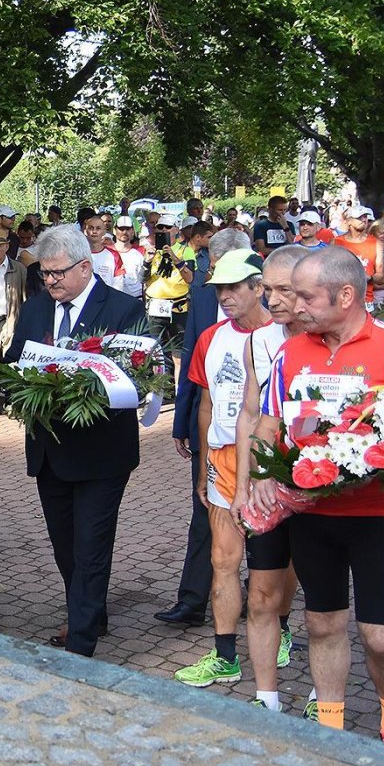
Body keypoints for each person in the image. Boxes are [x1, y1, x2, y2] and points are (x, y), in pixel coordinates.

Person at [250, 247, 384, 747]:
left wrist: (375, 456)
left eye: (306, 297)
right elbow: (269, 422)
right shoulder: (291, 352)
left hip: (377, 513)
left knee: (380, 636)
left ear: (346, 295)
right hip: (311, 514)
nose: (295, 306)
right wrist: (262, 473)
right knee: (322, 623)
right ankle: (329, 734)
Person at [1, 225, 144, 655]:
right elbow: (14, 360)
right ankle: (91, 612)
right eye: (44, 273)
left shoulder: (121, 309)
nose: (49, 281)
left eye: (57, 273)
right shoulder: (36, 309)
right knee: (65, 546)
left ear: (85, 267)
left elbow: (144, 374)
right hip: (50, 451)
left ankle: (81, 643)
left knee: (91, 547)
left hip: (102, 453)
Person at [172, 248, 273, 689]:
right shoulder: (211, 338)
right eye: (219, 289)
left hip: (271, 461)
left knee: (271, 565)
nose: (225, 296)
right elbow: (206, 404)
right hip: (222, 460)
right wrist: (202, 466)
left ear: (259, 288)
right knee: (222, 559)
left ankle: (280, 630)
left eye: (233, 288)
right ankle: (225, 655)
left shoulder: (285, 335)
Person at [231, 244, 314, 713]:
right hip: (269, 485)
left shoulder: (330, 338)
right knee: (261, 594)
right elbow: (249, 414)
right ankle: (267, 700)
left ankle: (323, 695)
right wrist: (242, 485)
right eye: (267, 288)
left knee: (320, 601)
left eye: (285, 289)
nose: (273, 299)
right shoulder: (259, 340)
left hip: (323, 485)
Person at [161, 229, 252, 627]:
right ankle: (192, 600)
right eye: (214, 271)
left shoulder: (269, 307)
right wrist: (180, 421)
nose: (219, 284)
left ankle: (256, 595)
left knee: (259, 519)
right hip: (208, 425)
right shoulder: (201, 297)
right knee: (204, 514)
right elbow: (190, 365)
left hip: (256, 435)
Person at [334, 205, 384, 306]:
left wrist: (369, 278)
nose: (364, 220)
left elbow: (380, 275)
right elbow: (328, 272)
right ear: (349, 221)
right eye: (359, 218)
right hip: (341, 299)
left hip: (365, 301)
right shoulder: (336, 242)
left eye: (365, 217)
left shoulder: (376, 243)